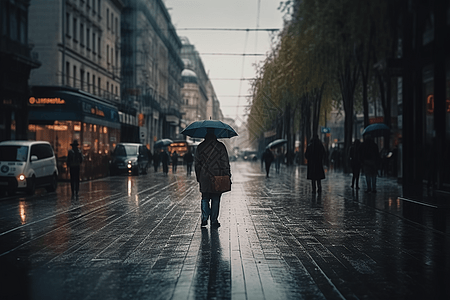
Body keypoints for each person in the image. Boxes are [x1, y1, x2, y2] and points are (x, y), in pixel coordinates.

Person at [195, 130, 231, 228]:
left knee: (205, 197)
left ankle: (205, 217)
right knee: (216, 198)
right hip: (217, 176)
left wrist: (199, 177)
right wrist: (227, 174)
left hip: (204, 176)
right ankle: (214, 221)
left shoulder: (200, 147)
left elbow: (197, 164)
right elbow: (225, 162)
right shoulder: (220, 146)